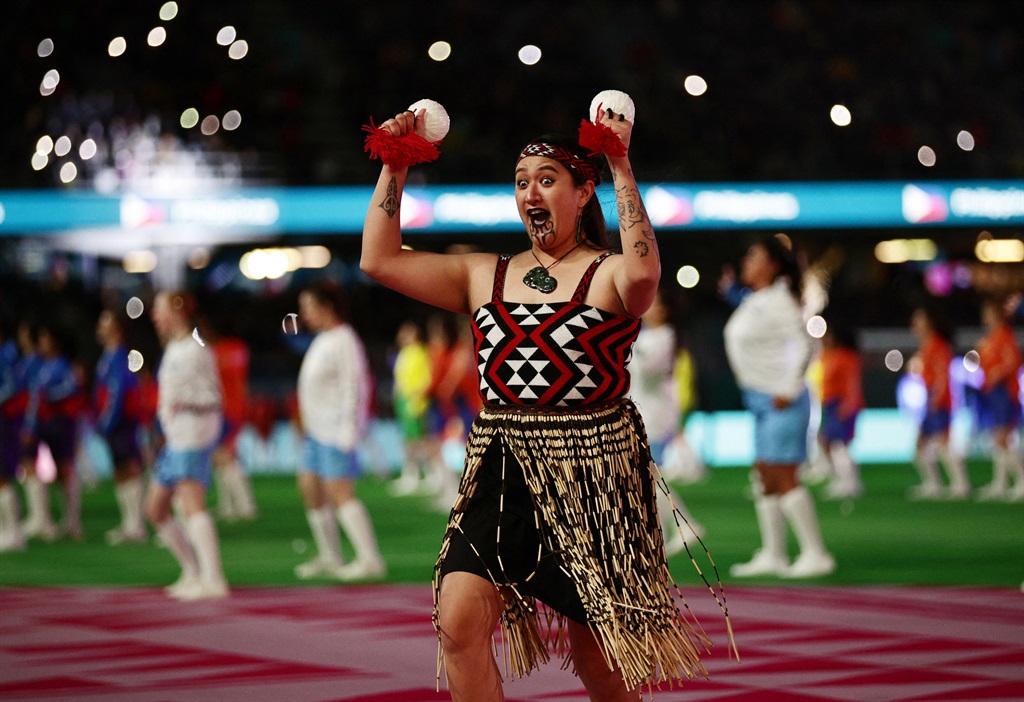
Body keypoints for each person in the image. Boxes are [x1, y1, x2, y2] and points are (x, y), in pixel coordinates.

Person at [361, 105, 732, 700]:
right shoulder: (485, 273)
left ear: (583, 192)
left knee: (601, 660)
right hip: (501, 464)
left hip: (594, 472)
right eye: (520, 181)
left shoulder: (609, 274)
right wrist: (397, 164)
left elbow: (644, 276)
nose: (529, 191)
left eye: (547, 179)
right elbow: (379, 260)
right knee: (456, 620)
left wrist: (619, 161)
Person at [722, 235, 836, 579]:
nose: (746, 262)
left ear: (772, 264)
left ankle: (816, 554)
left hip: (779, 400)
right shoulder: (759, 299)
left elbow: (804, 345)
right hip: (761, 400)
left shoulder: (781, 298)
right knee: (766, 477)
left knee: (784, 477)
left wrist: (788, 388)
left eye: (754, 257)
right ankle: (774, 553)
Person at [293, 281, 385, 582]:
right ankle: (330, 556)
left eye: (308, 306)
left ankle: (370, 559)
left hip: (335, 431)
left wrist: (350, 430)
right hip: (316, 432)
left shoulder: (344, 339)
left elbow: (355, 385)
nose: (304, 313)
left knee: (340, 493)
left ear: (326, 308)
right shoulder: (323, 339)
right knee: (310, 487)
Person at [146, 291, 228, 600]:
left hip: (193, 436)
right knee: (155, 509)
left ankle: (213, 579)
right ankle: (193, 572)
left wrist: (184, 404)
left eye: (159, 310)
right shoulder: (175, 349)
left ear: (177, 313)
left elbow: (214, 398)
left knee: (192, 504)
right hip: (176, 439)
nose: (155, 317)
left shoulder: (196, 350)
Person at [629, 289, 705, 555]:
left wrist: (623, 340)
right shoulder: (648, 336)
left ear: (665, 310)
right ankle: (673, 528)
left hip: (654, 414)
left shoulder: (666, 337)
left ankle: (679, 526)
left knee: (649, 475)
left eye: (653, 304)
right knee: (648, 475)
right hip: (645, 410)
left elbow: (647, 370)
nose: (646, 309)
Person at [21, 322, 85, 541]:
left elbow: (71, 388)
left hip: (62, 423)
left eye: (46, 338)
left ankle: (73, 521)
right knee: (41, 468)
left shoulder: (63, 365)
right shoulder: (42, 366)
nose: (42, 342)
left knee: (64, 469)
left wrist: (50, 395)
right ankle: (42, 518)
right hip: (44, 423)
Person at [93, 308, 148, 544]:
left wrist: (107, 421)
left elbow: (117, 392)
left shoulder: (119, 357)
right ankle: (130, 524)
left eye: (104, 322)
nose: (99, 327)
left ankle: (136, 525)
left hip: (121, 423)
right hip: (115, 422)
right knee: (120, 471)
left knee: (128, 468)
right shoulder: (109, 356)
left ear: (116, 329)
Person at [907, 305, 970, 500]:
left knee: (942, 443)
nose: (915, 324)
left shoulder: (937, 344)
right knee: (922, 443)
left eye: (919, 319)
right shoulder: (928, 344)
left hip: (938, 399)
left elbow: (943, 375)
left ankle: (961, 484)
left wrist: (937, 398)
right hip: (932, 397)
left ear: (929, 322)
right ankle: (935, 484)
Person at [201, 316, 258, 522]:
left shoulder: (213, 353)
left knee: (224, 457)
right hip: (238, 407)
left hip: (223, 410)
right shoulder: (239, 348)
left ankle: (244, 505)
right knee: (224, 457)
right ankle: (231, 505)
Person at [973, 297, 1023, 501]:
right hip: (992, 392)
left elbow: (1013, 361)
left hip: (1004, 391)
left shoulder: (1004, 335)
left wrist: (996, 373)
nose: (985, 317)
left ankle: (1021, 480)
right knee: (997, 438)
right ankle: (1000, 483)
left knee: (1003, 438)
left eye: (988, 312)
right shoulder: (990, 338)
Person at [817, 319, 865, 500]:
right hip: (830, 404)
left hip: (841, 404)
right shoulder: (831, 355)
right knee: (830, 443)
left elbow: (853, 384)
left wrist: (847, 406)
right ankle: (843, 481)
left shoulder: (846, 356)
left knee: (838, 445)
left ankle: (849, 483)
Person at [388, 319, 434, 496]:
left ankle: (422, 476)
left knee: (418, 440)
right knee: (410, 439)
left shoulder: (419, 353)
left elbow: (425, 378)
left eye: (406, 332)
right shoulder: (404, 353)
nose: (402, 336)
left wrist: (417, 398)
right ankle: (414, 474)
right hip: (403, 400)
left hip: (415, 401)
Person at [0, 316, 26, 552]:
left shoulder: (5, 356)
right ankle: (7, 530)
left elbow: (11, 387)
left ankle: (13, 533)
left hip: (6, 422)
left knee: (3, 476)